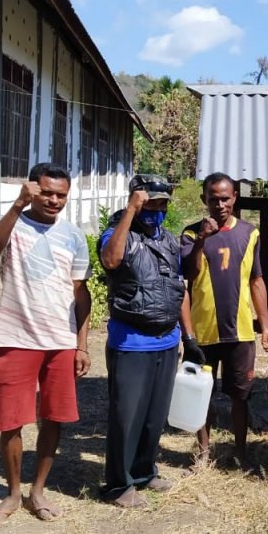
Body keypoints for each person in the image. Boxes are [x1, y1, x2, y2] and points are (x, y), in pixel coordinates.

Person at [0, 163, 91, 526]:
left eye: (61, 194)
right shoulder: (15, 225)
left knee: (54, 418)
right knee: (11, 422)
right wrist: (15, 207)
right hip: (16, 338)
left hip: (60, 341)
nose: (54, 200)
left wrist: (81, 344)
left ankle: (37, 491)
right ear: (33, 190)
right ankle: (13, 493)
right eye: (47, 192)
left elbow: (81, 293)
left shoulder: (74, 236)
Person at [98, 174, 202, 509]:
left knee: (154, 417)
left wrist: (189, 336)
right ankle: (118, 484)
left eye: (162, 205)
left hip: (167, 341)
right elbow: (111, 261)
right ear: (136, 201)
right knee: (126, 416)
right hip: (131, 342)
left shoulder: (169, 241)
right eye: (150, 204)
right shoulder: (118, 235)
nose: (156, 211)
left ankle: (144, 472)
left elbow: (179, 288)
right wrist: (131, 211)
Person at [180, 173, 268, 470]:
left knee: (240, 396)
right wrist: (202, 241)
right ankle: (203, 451)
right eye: (213, 199)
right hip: (204, 331)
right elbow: (190, 275)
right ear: (204, 200)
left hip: (241, 332)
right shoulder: (190, 234)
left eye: (225, 198)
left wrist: (267, 325)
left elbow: (256, 280)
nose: (219, 204)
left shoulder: (250, 233)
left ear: (235, 197)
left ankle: (240, 452)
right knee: (201, 394)